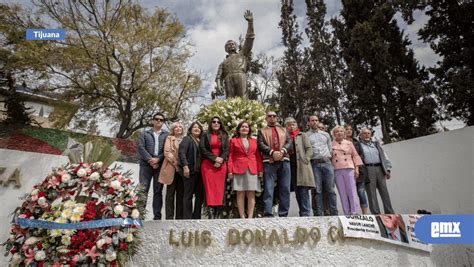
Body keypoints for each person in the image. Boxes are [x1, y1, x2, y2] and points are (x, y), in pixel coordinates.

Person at [257, 111, 292, 217]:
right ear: (266, 118)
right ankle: (268, 213)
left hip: (284, 160)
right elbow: (260, 144)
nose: (272, 118)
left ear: (277, 118)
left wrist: (282, 151)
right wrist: (272, 152)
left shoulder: (284, 130)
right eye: (269, 116)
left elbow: (289, 142)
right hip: (269, 162)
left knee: (285, 188)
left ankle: (283, 214)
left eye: (274, 116)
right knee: (269, 188)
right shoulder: (261, 131)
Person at [227, 121, 263, 218]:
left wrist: (260, 170)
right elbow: (230, 156)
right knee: (240, 193)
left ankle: (250, 217)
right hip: (238, 168)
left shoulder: (254, 141)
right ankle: (242, 216)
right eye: (242, 127)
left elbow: (258, 156)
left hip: (252, 169)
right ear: (238, 130)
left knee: (251, 193)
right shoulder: (233, 141)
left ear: (249, 129)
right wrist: (230, 171)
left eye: (246, 127)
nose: (244, 128)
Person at [215, 10, 254, 99]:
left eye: (233, 44)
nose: (231, 45)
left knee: (243, 100)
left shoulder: (242, 54)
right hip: (228, 80)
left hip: (241, 77)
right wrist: (218, 85)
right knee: (230, 101)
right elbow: (218, 76)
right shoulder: (223, 63)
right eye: (228, 45)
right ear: (226, 49)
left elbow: (249, 39)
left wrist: (250, 23)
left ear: (236, 46)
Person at [137, 112, 168, 220]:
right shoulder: (145, 133)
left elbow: (167, 150)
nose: (158, 121)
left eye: (161, 120)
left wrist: (158, 159)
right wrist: (150, 160)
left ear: (163, 122)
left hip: (159, 166)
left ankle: (157, 216)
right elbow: (141, 148)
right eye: (156, 119)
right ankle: (139, 215)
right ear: (153, 120)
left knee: (158, 191)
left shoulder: (167, 135)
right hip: (145, 165)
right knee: (143, 189)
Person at [306, 115, 338, 216]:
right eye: (312, 120)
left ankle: (334, 213)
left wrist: (328, 159)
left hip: (327, 163)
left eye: (316, 120)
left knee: (331, 190)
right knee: (318, 190)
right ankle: (319, 214)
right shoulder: (306, 136)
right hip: (314, 163)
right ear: (309, 122)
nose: (314, 122)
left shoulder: (326, 135)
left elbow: (330, 149)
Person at [359, 127, 395, 214]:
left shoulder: (376, 144)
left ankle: (390, 213)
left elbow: (384, 156)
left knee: (384, 192)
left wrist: (388, 169)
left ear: (371, 135)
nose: (367, 135)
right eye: (365, 133)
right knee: (371, 194)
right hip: (368, 170)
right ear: (361, 135)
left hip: (379, 169)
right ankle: (376, 214)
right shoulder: (359, 146)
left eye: (368, 133)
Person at [200, 116, 229, 219]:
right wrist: (214, 159)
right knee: (210, 190)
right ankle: (211, 215)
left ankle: (217, 215)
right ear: (211, 124)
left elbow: (226, 150)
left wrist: (220, 159)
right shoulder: (205, 135)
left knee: (220, 190)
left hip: (221, 166)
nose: (216, 123)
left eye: (218, 122)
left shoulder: (225, 135)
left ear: (220, 124)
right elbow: (203, 149)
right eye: (214, 122)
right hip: (208, 165)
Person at [285, 117, 315, 217]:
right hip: (290, 166)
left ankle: (306, 214)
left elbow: (309, 149)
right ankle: (302, 213)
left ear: (296, 125)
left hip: (302, 166)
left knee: (303, 190)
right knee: (297, 191)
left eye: (293, 124)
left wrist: (306, 159)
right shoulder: (284, 137)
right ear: (286, 127)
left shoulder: (302, 135)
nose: (291, 126)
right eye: (289, 125)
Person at [331, 126, 364, 215]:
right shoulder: (331, 144)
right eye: (337, 131)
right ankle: (347, 213)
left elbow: (355, 156)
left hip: (349, 168)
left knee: (352, 191)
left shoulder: (349, 143)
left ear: (344, 133)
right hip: (337, 169)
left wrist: (356, 169)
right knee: (342, 193)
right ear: (334, 134)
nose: (339, 133)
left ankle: (355, 212)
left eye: (341, 131)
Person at [179, 122, 205, 219]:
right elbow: (181, 153)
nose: (197, 129)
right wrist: (185, 166)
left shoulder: (202, 140)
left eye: (198, 127)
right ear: (191, 129)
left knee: (199, 196)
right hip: (190, 171)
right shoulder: (187, 139)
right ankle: (187, 217)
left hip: (201, 172)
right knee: (188, 195)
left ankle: (196, 216)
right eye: (194, 127)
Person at [159, 122, 185, 220]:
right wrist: (176, 164)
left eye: (180, 127)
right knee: (170, 194)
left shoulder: (185, 139)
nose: (178, 128)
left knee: (180, 194)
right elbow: (167, 153)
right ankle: (169, 218)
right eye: (176, 127)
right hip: (171, 168)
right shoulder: (169, 138)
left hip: (182, 171)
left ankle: (179, 218)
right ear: (173, 130)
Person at [344, 124, 369, 214]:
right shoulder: (340, 142)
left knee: (361, 191)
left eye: (351, 129)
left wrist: (357, 166)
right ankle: (354, 213)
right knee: (351, 193)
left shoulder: (356, 141)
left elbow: (361, 155)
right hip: (347, 170)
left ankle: (365, 214)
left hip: (360, 170)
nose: (349, 131)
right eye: (347, 129)